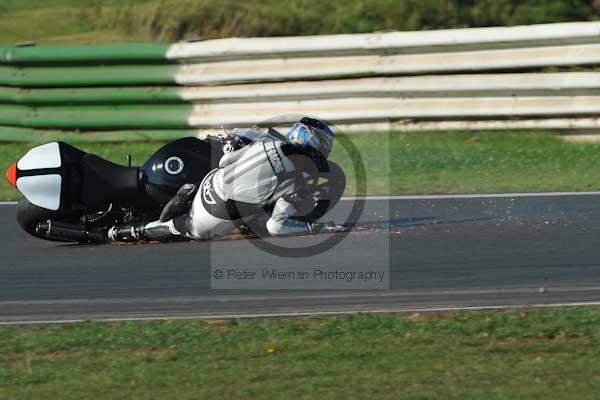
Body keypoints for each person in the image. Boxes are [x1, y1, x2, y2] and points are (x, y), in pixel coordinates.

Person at [108, 117, 348, 243]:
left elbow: (225, 162)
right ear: (313, 143)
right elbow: (276, 227)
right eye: (325, 144)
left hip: (208, 184)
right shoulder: (298, 179)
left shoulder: (268, 142)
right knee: (189, 229)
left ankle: (126, 229)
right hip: (212, 217)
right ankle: (124, 231)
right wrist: (314, 227)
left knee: (241, 199)